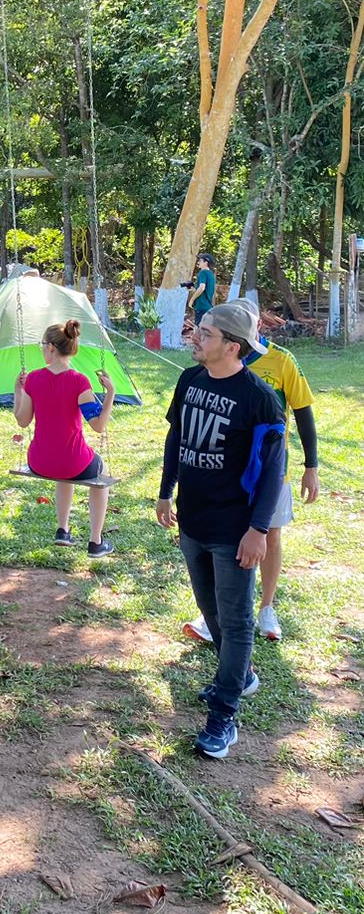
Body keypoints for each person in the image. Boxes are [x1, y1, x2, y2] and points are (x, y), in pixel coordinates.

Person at [156, 300, 285, 760]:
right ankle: (241, 675)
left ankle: (224, 714)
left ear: (232, 346)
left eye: (206, 333)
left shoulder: (259, 399)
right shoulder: (189, 379)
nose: (195, 336)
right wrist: (165, 491)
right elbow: (176, 438)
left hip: (235, 528)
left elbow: (273, 471)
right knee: (209, 609)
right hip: (193, 519)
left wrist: (259, 530)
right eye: (199, 328)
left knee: (236, 620)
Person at [183, 298, 319, 645]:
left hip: (270, 472)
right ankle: (213, 613)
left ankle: (266, 607)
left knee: (268, 534)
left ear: (256, 326)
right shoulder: (216, 359)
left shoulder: (282, 360)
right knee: (223, 545)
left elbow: (303, 411)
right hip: (225, 476)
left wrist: (311, 466)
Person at [13, 320, 116, 557]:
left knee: (64, 469)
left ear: (51, 347)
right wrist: (110, 393)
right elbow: (98, 425)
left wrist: (17, 390)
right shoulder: (79, 381)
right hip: (73, 462)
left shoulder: (33, 379)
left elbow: (22, 421)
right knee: (100, 471)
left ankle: (63, 530)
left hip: (39, 461)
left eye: (42, 345)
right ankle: (96, 541)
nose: (42, 349)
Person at [184, 253, 216, 324]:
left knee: (198, 328)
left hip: (201, 307)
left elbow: (202, 288)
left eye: (200, 261)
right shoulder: (211, 275)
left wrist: (191, 300)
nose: (198, 262)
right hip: (208, 307)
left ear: (206, 262)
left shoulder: (203, 272)